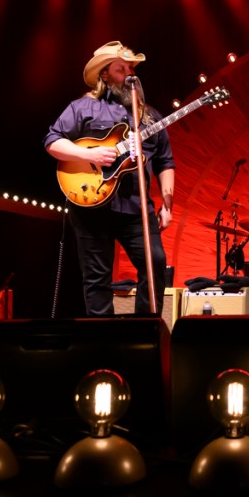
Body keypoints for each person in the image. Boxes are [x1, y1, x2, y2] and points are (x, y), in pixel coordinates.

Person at [45, 41, 175, 317]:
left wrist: (167, 204)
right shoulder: (83, 107)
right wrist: (89, 155)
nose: (130, 74)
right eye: (121, 68)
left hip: (137, 207)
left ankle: (145, 332)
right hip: (92, 206)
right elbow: (52, 142)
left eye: (132, 68)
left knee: (156, 264)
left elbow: (165, 161)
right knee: (97, 279)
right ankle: (102, 346)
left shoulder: (149, 116)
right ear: (104, 75)